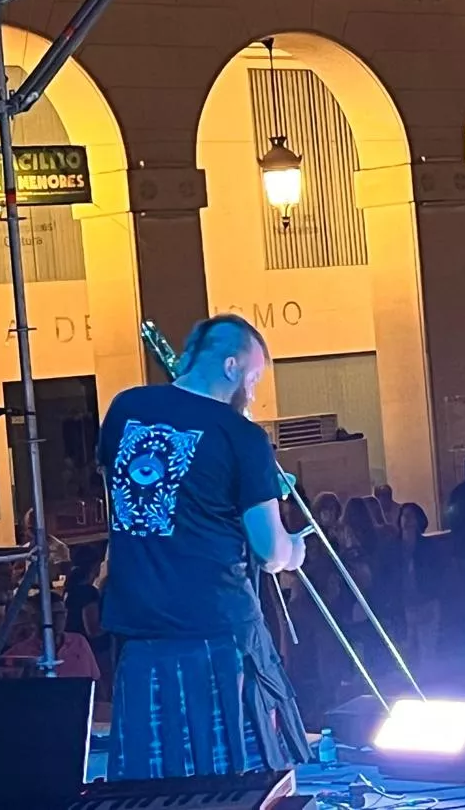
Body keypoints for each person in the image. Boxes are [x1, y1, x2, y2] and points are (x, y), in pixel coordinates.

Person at [99, 314, 310, 780]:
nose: (254, 391)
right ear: (232, 367)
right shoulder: (243, 436)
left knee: (154, 789)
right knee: (238, 785)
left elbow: (149, 501)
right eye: (254, 378)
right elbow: (271, 552)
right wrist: (296, 547)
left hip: (141, 630)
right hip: (218, 631)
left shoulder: (124, 409)